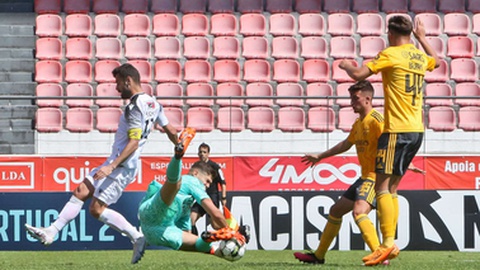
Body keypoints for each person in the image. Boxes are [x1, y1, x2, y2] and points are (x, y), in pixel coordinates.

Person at [25, 63, 180, 264]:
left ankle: (137, 237)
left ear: (128, 81)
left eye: (118, 83)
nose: (116, 89)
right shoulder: (154, 103)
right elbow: (172, 131)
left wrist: (112, 166)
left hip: (122, 166)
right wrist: (179, 145)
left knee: (96, 210)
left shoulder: (133, 107)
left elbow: (133, 142)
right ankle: (51, 231)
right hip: (118, 163)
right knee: (81, 191)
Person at [338, 17, 439, 266]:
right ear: (410, 33)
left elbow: (359, 74)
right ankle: (388, 244)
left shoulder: (391, 54)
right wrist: (423, 38)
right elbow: (435, 61)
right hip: (417, 130)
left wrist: (346, 65)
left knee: (382, 187)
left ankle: (386, 245)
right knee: (392, 189)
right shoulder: (417, 55)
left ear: (390, 33)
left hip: (396, 130)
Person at [294, 81, 384, 265]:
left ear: (368, 99)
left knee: (359, 212)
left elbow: (393, 143)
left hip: (377, 177)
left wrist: (402, 163)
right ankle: (318, 256)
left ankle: (379, 254)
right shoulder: (359, 123)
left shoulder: (377, 120)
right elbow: (346, 144)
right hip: (364, 177)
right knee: (336, 211)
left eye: (355, 98)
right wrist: (321, 156)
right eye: (351, 98)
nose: (351, 102)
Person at [137, 131, 248, 259]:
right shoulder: (192, 181)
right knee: (174, 185)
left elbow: (187, 234)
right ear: (195, 173)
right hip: (153, 212)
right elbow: (215, 213)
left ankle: (218, 250)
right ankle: (178, 156)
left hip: (155, 232)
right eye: (207, 181)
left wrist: (205, 241)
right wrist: (232, 232)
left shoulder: (186, 206)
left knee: (197, 245)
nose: (207, 185)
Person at [190, 143, 227, 235]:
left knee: (215, 225)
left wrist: (223, 198)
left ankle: (233, 232)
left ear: (208, 154)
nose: (202, 154)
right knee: (191, 219)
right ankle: (194, 242)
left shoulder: (214, 166)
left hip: (211, 198)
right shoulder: (196, 166)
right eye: (200, 152)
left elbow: (223, 182)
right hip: (200, 198)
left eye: (204, 152)